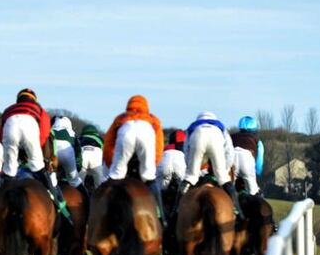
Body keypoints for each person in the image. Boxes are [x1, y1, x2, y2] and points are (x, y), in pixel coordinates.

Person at [0, 89, 70, 219]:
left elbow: (1, 136)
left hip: (10, 130)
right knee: (38, 167)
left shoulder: (9, 109)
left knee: (9, 171)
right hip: (30, 130)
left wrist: (11, 151)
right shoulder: (39, 110)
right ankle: (57, 201)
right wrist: (36, 150)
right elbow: (44, 134)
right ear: (34, 100)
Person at [103, 95, 166, 226]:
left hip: (126, 132)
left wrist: (112, 167)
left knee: (116, 175)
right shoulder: (153, 119)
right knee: (149, 177)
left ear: (128, 106)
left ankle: (104, 213)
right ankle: (160, 216)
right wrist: (152, 165)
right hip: (146, 132)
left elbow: (108, 143)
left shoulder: (121, 118)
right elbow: (159, 145)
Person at [179, 112, 244, 219]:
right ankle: (238, 211)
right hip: (216, 137)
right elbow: (229, 152)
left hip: (197, 136)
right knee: (223, 179)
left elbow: (186, 150)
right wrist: (225, 169)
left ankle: (177, 210)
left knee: (190, 177)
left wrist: (191, 170)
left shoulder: (193, 126)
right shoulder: (221, 126)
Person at [52, 116, 87, 196]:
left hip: (52, 156)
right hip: (67, 154)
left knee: (50, 181)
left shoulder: (50, 130)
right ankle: (88, 205)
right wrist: (76, 170)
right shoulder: (72, 133)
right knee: (75, 181)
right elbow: (78, 157)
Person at [231, 116, 264, 196]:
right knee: (254, 193)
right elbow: (259, 163)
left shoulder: (231, 137)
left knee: (229, 191)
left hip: (232, 162)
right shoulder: (258, 142)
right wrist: (258, 173)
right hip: (247, 163)